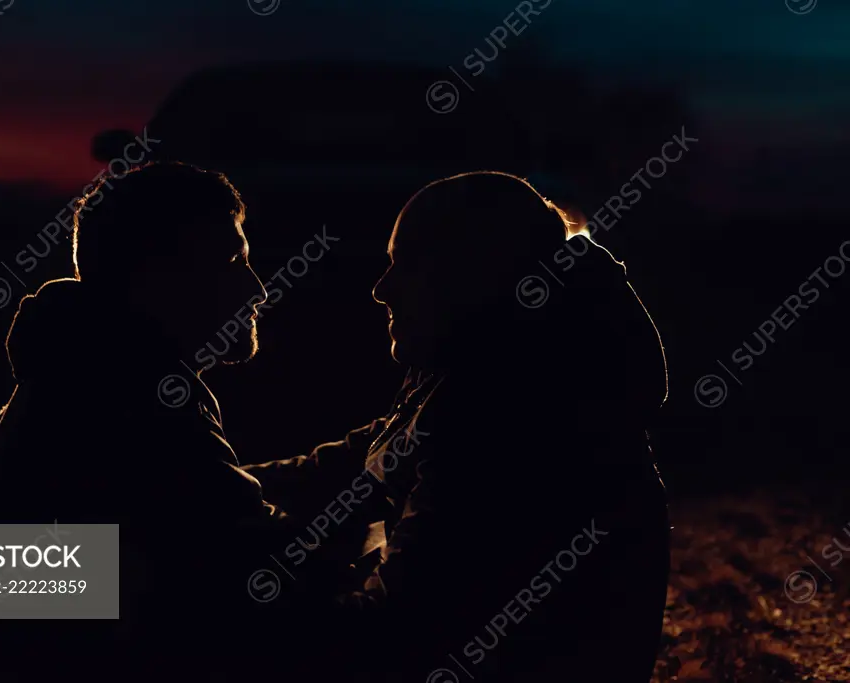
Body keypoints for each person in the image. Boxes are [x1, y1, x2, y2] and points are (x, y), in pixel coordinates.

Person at [245, 171, 671, 682]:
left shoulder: (504, 413)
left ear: (469, 275)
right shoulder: (488, 367)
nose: (381, 291)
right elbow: (363, 458)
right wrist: (221, 483)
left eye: (405, 265)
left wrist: (228, 623)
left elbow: (394, 633)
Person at [0, 161, 291, 682]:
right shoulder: (132, 390)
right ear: (158, 276)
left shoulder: (80, 366)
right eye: (233, 260)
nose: (257, 290)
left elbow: (208, 500)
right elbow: (251, 551)